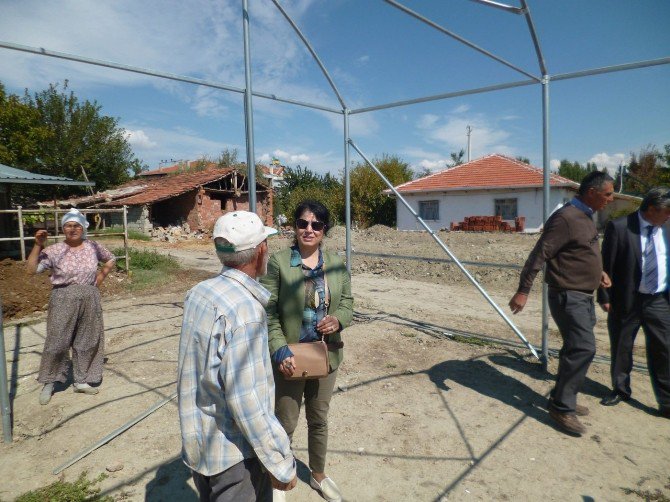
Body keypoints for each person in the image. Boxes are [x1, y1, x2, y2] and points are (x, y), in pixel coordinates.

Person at [177, 210, 297, 502]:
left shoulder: (200, 293)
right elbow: (247, 400)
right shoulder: (245, 311)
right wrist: (281, 464)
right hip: (234, 456)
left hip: (200, 442)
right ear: (261, 251)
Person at [509, 171, 615, 436]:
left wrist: (597, 272)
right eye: (608, 194)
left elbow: (582, 250)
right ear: (591, 192)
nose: (611, 199)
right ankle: (561, 408)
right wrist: (523, 291)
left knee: (574, 348)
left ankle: (561, 395)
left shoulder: (586, 216)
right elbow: (539, 255)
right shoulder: (565, 218)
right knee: (583, 348)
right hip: (567, 296)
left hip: (582, 295)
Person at [261, 200, 353, 502]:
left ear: (324, 230)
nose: (309, 230)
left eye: (316, 225)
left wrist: (338, 319)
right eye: (303, 223)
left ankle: (317, 474)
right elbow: (269, 311)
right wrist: (279, 349)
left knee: (319, 418)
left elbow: (348, 304)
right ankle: (280, 477)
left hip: (326, 355)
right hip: (291, 357)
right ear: (295, 227)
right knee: (285, 422)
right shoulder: (279, 262)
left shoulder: (337, 263)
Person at [26, 208, 115, 405]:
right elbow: (32, 270)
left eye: (76, 225)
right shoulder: (55, 250)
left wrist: (100, 278)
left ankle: (81, 380)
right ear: (63, 228)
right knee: (57, 340)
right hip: (63, 296)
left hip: (89, 296)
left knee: (88, 339)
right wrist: (37, 245)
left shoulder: (92, 246)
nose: (72, 229)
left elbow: (110, 258)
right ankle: (49, 381)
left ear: (83, 228)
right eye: (68, 225)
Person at [597, 187, 670, 418]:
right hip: (626, 300)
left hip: (659, 300)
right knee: (621, 347)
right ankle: (620, 389)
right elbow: (604, 266)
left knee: (664, 350)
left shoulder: (667, 227)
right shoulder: (619, 227)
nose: (669, 215)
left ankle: (666, 401)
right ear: (651, 209)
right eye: (667, 211)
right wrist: (604, 297)